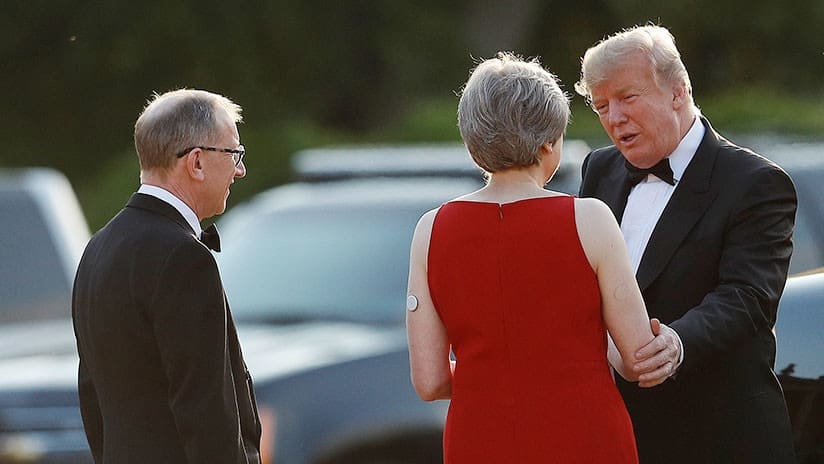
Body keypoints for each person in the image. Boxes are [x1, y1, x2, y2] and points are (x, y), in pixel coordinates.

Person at [406, 52, 657, 463]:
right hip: (584, 435)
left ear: (473, 144)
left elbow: (429, 381)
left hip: (479, 438)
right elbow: (636, 357)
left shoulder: (431, 229)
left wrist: (495, 375)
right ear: (548, 142)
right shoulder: (589, 218)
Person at [575, 25, 797, 463]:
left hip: (722, 438)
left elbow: (749, 296)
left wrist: (678, 342)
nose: (614, 117)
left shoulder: (756, 182)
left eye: (627, 97)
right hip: (624, 437)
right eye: (601, 106)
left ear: (679, 91)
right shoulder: (599, 169)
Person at [72, 89, 261, 463]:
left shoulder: (97, 249)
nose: (239, 170)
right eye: (234, 154)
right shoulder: (184, 258)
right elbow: (207, 415)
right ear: (197, 162)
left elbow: (92, 400)